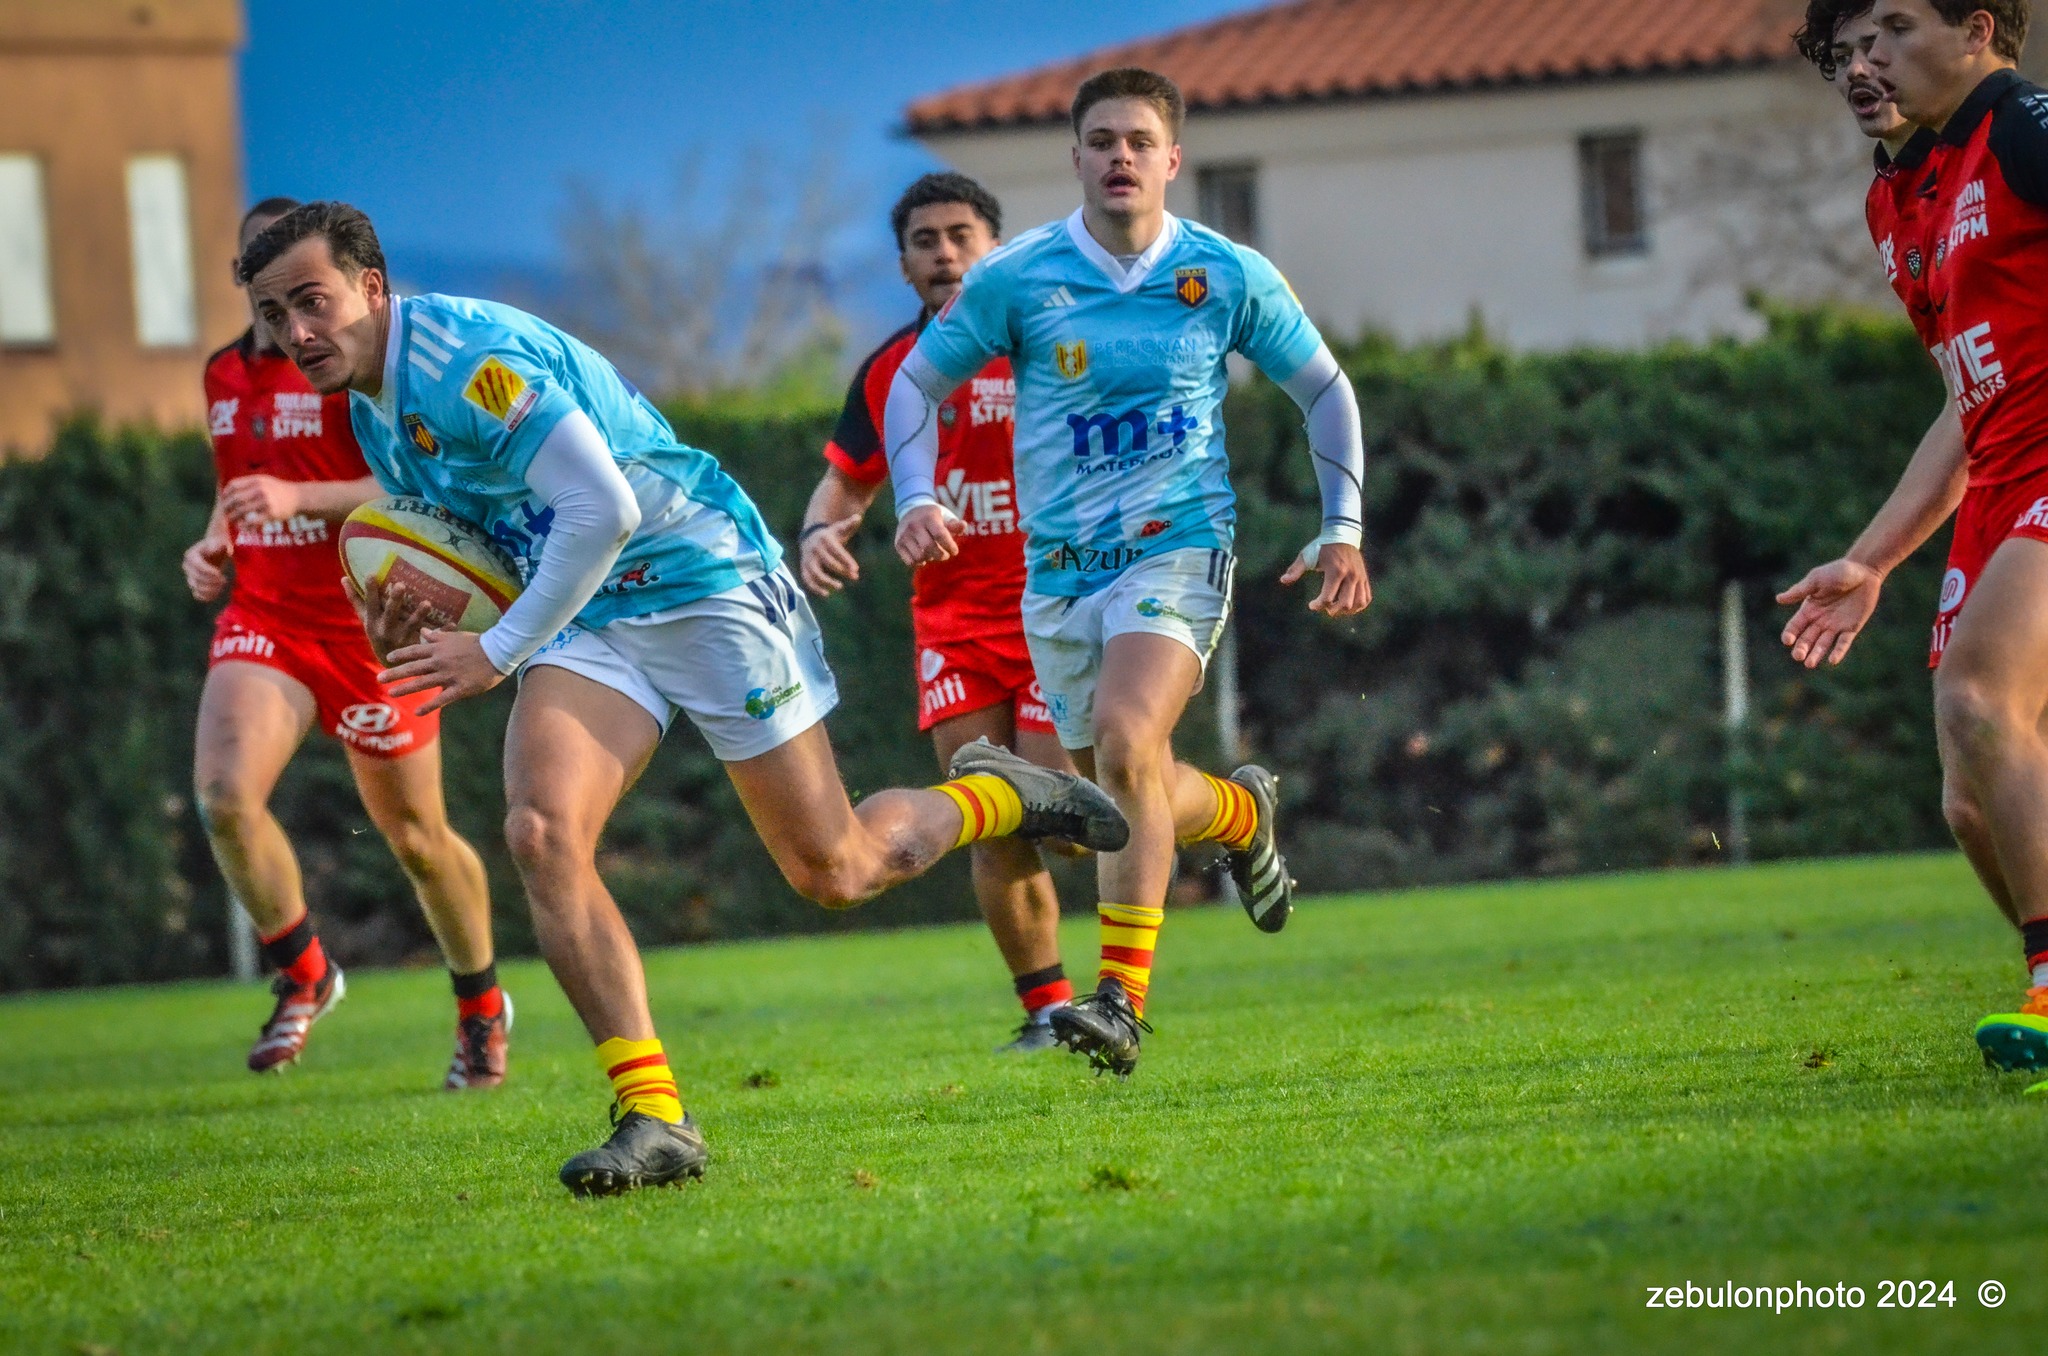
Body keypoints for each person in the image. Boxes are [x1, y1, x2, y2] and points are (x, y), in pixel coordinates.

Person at [237, 201, 1130, 1194]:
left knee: (833, 870)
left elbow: (602, 507)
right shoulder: (373, 403)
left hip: (699, 575)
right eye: (274, 314)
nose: (296, 334)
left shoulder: (464, 360)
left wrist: (493, 646)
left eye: (312, 303)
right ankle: (653, 1114)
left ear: (371, 284)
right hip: (591, 610)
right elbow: (478, 539)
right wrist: (401, 610)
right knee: (540, 834)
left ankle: (999, 795)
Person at [883, 68, 1371, 1076]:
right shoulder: (1018, 279)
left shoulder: (1222, 274)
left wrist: (1343, 525)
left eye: (1139, 141)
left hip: (1178, 545)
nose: (1119, 157)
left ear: (1171, 160)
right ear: (1074, 159)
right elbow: (912, 387)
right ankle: (1237, 814)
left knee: (1123, 735)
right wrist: (917, 498)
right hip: (1057, 573)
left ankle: (1118, 1002)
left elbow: (1323, 387)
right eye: (1100, 140)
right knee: (1098, 803)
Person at [1776, 0, 2048, 1082]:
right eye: (1843, 49)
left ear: (1977, 29)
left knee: (1979, 700)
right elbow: (1961, 404)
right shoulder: (1898, 200)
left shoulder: (2023, 128)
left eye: (1887, 31)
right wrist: (1873, 558)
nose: (1862, 62)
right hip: (2001, 482)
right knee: (1967, 793)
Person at [184, 197, 505, 1088]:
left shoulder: (349, 362)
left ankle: (481, 1006)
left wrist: (301, 501)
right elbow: (239, 484)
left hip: (370, 623)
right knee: (222, 796)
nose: (279, 303)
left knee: (415, 837)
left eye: (297, 284)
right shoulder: (223, 373)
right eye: (260, 278)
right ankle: (303, 972)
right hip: (267, 616)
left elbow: (404, 480)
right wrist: (216, 539)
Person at [799, 173, 1076, 1054]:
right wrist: (817, 534)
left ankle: (1225, 812)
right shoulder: (889, 370)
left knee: (1065, 818)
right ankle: (1047, 1013)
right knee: (991, 812)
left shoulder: (1048, 342)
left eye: (962, 234)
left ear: (997, 248)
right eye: (926, 240)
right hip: (954, 626)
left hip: (1057, 611)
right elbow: (845, 482)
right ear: (905, 262)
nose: (946, 252)